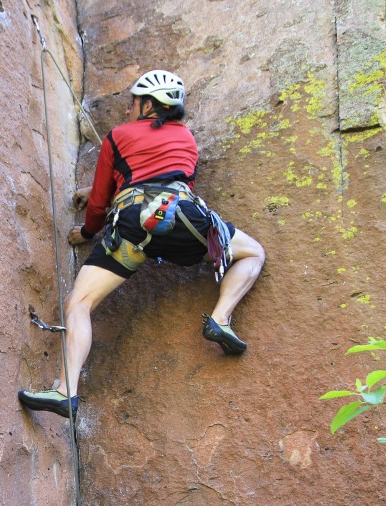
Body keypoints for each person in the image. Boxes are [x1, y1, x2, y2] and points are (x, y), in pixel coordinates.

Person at [19, 70, 265, 418]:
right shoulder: (187, 139)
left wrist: (88, 233)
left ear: (149, 105)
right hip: (182, 220)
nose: (127, 111)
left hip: (133, 229)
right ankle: (220, 318)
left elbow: (102, 201)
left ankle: (66, 391)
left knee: (78, 303)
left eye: (133, 103)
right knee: (253, 252)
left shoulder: (118, 136)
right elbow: (170, 178)